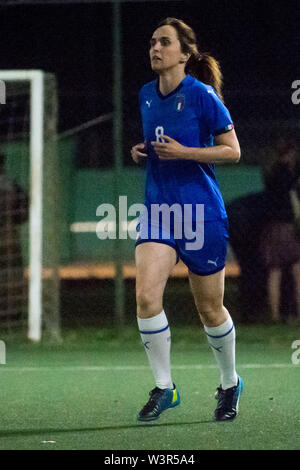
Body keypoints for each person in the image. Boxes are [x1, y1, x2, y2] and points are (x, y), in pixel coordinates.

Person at [130, 17, 243, 422]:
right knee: (145, 297)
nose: (155, 49)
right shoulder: (145, 94)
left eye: (164, 42)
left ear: (185, 52)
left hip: (202, 214)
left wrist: (187, 153)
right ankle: (164, 387)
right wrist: (142, 151)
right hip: (160, 211)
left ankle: (229, 383)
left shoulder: (202, 95)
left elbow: (233, 151)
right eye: (152, 42)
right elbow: (161, 145)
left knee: (211, 310)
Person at [259, 140, 300, 322]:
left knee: (274, 273)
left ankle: (274, 315)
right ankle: (298, 314)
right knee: (297, 271)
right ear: (290, 153)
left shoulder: (271, 173)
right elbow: (294, 204)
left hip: (271, 228)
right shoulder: (291, 177)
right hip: (288, 228)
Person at [0, 153, 28, 324]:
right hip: (8, 233)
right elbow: (23, 214)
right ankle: (12, 311)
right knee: (11, 272)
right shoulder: (12, 186)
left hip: (7, 231)